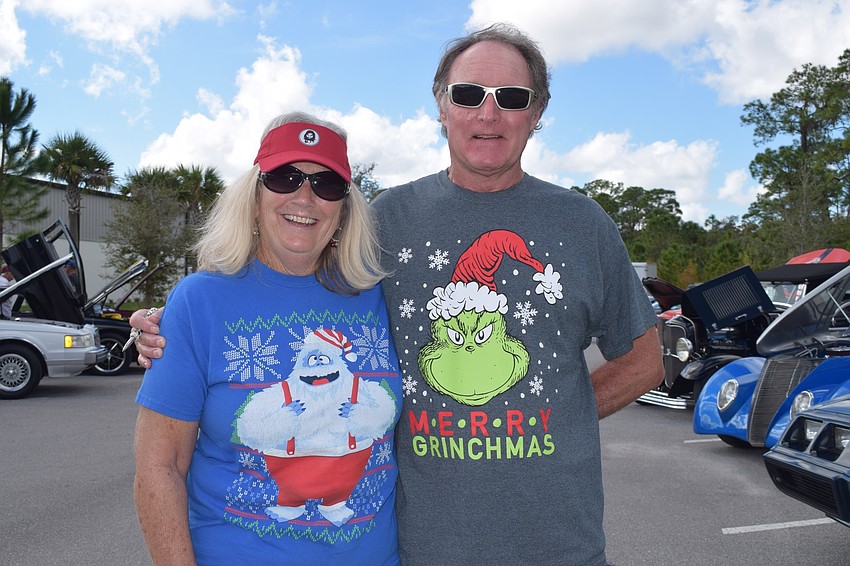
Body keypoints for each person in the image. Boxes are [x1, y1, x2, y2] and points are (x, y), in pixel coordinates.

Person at [132, 23, 662, 565]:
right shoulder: (387, 221)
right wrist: (165, 325)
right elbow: (278, 280)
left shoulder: (581, 224)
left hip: (559, 548)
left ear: (537, 113)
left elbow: (646, 362)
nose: (488, 113)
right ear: (441, 106)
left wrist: (554, 412)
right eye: (468, 94)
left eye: (511, 98)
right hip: (426, 549)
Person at [132, 111, 402, 565]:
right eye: (285, 177)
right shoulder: (199, 301)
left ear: (344, 207)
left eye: (327, 184)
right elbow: (160, 467)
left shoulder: (379, 294)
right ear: (255, 194)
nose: (305, 196)